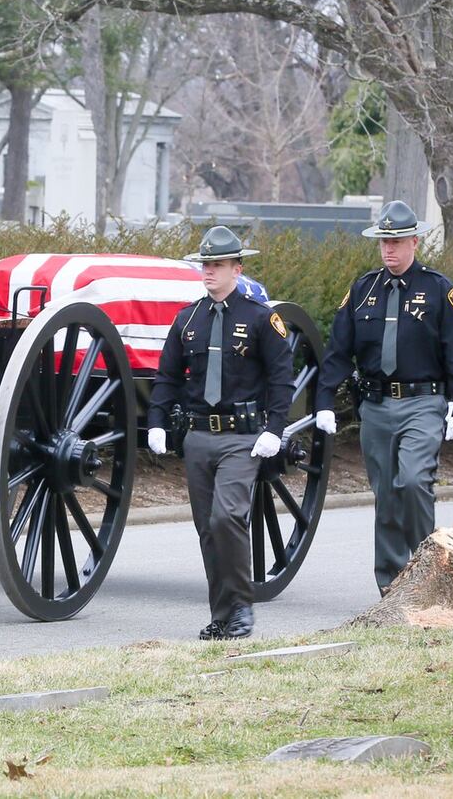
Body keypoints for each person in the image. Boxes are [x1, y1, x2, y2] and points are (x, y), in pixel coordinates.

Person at [316, 199, 453, 595]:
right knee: (386, 495)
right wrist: (322, 399)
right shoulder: (363, 289)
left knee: (412, 481)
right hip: (376, 405)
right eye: (384, 242)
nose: (389, 249)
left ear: (415, 242)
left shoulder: (439, 290)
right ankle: (390, 586)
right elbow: (339, 350)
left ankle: (430, 571)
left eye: (397, 241)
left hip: (423, 402)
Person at [146, 226, 292, 640]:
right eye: (205, 264)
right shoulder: (187, 318)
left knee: (228, 517)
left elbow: (283, 379)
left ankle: (242, 606)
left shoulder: (261, 318)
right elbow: (167, 376)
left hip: (242, 438)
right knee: (208, 529)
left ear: (237, 268)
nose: (208, 271)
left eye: (217, 265)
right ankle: (222, 615)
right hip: (198, 437)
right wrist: (156, 421)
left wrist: (275, 430)